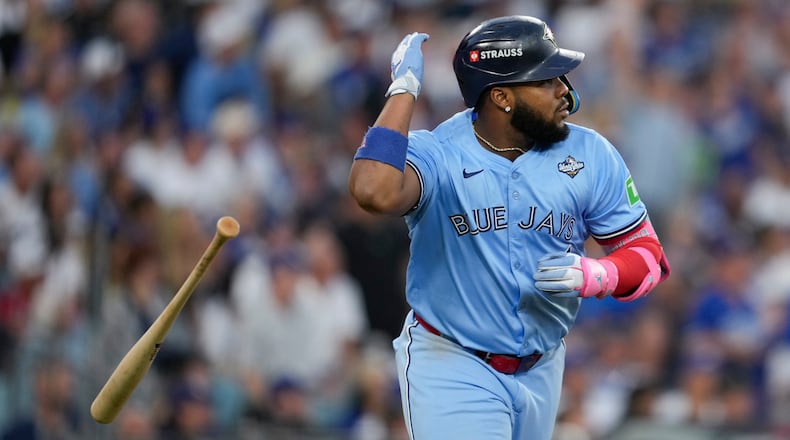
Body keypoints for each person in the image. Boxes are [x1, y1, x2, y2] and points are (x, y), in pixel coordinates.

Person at [347, 15, 671, 440]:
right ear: (501, 97)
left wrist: (602, 274)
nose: (564, 91)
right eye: (546, 80)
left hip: (542, 365)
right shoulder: (440, 154)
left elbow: (650, 259)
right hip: (454, 360)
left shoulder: (591, 153)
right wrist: (403, 90)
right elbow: (373, 190)